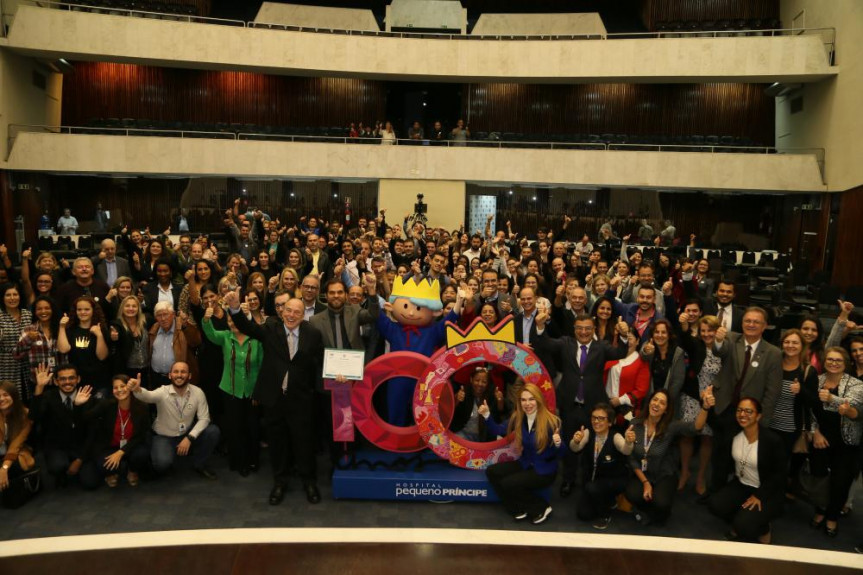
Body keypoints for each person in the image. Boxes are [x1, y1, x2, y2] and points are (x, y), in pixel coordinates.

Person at [225, 291, 324, 505]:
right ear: (282, 311)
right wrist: (234, 308)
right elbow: (247, 327)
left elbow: (321, 363)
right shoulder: (270, 328)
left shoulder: (313, 334)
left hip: (301, 399)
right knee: (277, 443)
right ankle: (280, 482)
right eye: (288, 310)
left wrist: (338, 375)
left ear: (303, 315)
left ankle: (309, 481)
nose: (291, 315)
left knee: (304, 442)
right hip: (274, 399)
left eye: (297, 312)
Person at [533, 311, 629, 497]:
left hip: (593, 408)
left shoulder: (602, 347)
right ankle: (568, 479)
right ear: (574, 329)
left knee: (591, 444)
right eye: (579, 328)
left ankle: (587, 480)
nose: (583, 332)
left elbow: (620, 352)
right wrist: (539, 326)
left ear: (593, 329)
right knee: (570, 443)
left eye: (587, 329)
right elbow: (544, 343)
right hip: (570, 406)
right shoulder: (565, 343)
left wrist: (624, 335)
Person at [708, 307, 782, 495]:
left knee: (743, 457)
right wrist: (717, 339)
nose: (751, 324)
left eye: (756, 322)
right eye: (748, 321)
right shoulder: (731, 339)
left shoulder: (773, 353)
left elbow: (772, 391)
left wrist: (762, 420)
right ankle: (715, 492)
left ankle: (737, 493)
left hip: (750, 417)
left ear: (765, 326)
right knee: (720, 455)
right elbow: (719, 350)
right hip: (725, 408)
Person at [625, 388, 711, 525]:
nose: (657, 404)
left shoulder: (671, 426)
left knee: (661, 504)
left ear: (666, 409)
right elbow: (630, 458)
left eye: (662, 403)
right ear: (649, 402)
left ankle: (657, 513)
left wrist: (705, 408)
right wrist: (645, 483)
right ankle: (648, 510)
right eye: (655, 400)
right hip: (642, 473)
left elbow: (696, 427)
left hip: (664, 474)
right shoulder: (635, 424)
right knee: (631, 494)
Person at [481, 383, 564, 525]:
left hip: (544, 471)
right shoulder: (518, 417)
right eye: (523, 400)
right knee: (492, 472)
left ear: (538, 400)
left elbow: (562, 453)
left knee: (508, 483)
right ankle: (517, 508)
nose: (527, 404)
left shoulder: (552, 421)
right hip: (526, 463)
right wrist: (487, 415)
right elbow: (497, 430)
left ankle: (541, 507)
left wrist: (558, 443)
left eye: (531, 399)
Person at [708, 397, 787, 543]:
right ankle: (742, 519)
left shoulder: (772, 440)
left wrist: (760, 496)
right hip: (742, 484)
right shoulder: (734, 433)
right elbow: (715, 423)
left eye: (748, 411)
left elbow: (780, 474)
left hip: (766, 490)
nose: (743, 414)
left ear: (758, 416)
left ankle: (764, 528)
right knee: (715, 504)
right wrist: (707, 406)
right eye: (739, 410)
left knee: (743, 524)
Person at [201, 302, 263, 477]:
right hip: (230, 391)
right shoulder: (225, 337)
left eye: (236, 320)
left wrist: (258, 391)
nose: (232, 323)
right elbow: (210, 333)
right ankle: (239, 462)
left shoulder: (257, 338)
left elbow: (263, 365)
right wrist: (206, 319)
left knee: (252, 427)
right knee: (235, 428)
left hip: (253, 392)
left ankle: (253, 460)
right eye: (229, 320)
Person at [128, 363, 220, 479]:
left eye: (183, 372)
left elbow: (204, 418)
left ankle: (199, 464)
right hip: (164, 436)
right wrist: (138, 390)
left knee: (212, 431)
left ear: (189, 376)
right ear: (170, 375)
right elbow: (148, 396)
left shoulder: (198, 392)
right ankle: (165, 456)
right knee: (161, 464)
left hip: (186, 434)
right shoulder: (163, 391)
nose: (179, 375)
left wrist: (189, 438)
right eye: (176, 372)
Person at [809, 347, 862, 538]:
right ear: (824, 362)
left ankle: (832, 517)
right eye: (830, 359)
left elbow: (855, 408)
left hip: (846, 442)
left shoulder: (856, 384)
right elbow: (810, 410)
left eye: (838, 360)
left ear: (845, 363)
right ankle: (820, 510)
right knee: (818, 477)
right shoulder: (818, 380)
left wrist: (832, 398)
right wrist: (815, 432)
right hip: (820, 438)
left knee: (841, 482)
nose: (833, 363)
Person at [676, 315, 724, 495]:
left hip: (714, 400)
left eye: (710, 330)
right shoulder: (696, 344)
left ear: (717, 330)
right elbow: (685, 339)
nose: (706, 334)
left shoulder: (724, 348)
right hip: (692, 397)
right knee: (687, 436)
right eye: (703, 331)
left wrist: (713, 392)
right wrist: (684, 325)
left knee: (707, 438)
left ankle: (700, 477)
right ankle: (685, 472)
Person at [77, 374, 151, 489]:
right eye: (116, 387)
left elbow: (141, 435)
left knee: (142, 454)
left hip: (131, 446)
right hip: (109, 447)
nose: (119, 390)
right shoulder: (107, 404)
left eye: (123, 386)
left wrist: (121, 452)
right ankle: (112, 472)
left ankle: (132, 470)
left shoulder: (142, 407)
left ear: (130, 387)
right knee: (104, 465)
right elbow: (86, 417)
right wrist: (78, 404)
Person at [570, 403, 635, 529]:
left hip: (614, 480)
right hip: (593, 482)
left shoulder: (615, 436)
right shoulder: (588, 432)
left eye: (601, 418)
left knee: (593, 488)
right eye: (594, 417)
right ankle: (608, 501)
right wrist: (576, 441)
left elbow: (626, 450)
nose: (596, 421)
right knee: (583, 514)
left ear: (610, 422)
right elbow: (575, 448)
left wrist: (628, 442)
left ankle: (605, 514)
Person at [57, 296, 110, 396]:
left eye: (87, 309)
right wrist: (62, 327)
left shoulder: (101, 330)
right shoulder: (70, 329)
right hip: (76, 381)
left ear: (93, 311)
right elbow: (63, 349)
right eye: (79, 309)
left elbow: (102, 356)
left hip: (99, 380)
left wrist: (99, 335)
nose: (83, 312)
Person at [14, 296, 62, 401]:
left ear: (52, 309)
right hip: (38, 381)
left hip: (61, 380)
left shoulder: (61, 328)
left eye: (47, 308)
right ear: (35, 312)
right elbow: (16, 354)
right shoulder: (29, 329)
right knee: (39, 412)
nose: (43, 311)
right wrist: (27, 339)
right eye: (39, 309)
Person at [451, 366, 507, 441]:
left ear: (488, 383)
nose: (480, 384)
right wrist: (457, 399)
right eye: (477, 380)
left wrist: (500, 400)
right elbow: (452, 411)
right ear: (471, 380)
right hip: (463, 434)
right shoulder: (464, 392)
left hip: (483, 438)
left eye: (484, 382)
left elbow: (500, 412)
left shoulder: (491, 394)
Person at [0, 381, 34, 497]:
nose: (1, 399)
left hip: (15, 453)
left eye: (5, 395)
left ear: (14, 395)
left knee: (14, 467)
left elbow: (16, 445)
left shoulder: (25, 415)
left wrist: (4, 468)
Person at [1, 283, 33, 402]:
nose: (12, 298)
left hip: (27, 364)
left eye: (15, 294)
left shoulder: (28, 314)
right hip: (6, 364)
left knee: (27, 399)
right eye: (8, 295)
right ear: (2, 298)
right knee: (9, 399)